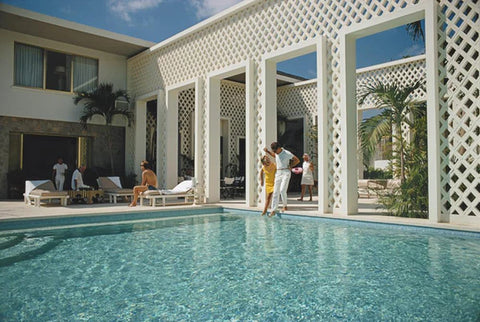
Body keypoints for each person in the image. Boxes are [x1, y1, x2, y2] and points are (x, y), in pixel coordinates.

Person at [265, 142, 300, 217]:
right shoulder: (276, 153)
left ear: (279, 148)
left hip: (285, 172)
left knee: (282, 190)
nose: (274, 152)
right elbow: (275, 155)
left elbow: (297, 160)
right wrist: (268, 151)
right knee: (275, 191)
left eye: (275, 150)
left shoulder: (287, 153)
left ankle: (285, 205)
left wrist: (290, 166)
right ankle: (273, 209)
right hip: (278, 172)